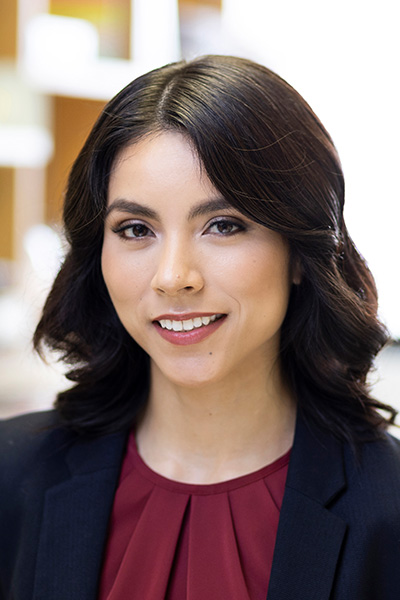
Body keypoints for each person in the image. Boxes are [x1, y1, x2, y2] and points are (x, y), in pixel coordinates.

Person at [1, 55, 399, 600]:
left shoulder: (389, 507)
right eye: (136, 229)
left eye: (223, 225)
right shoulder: (11, 475)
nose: (173, 277)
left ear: (301, 252)